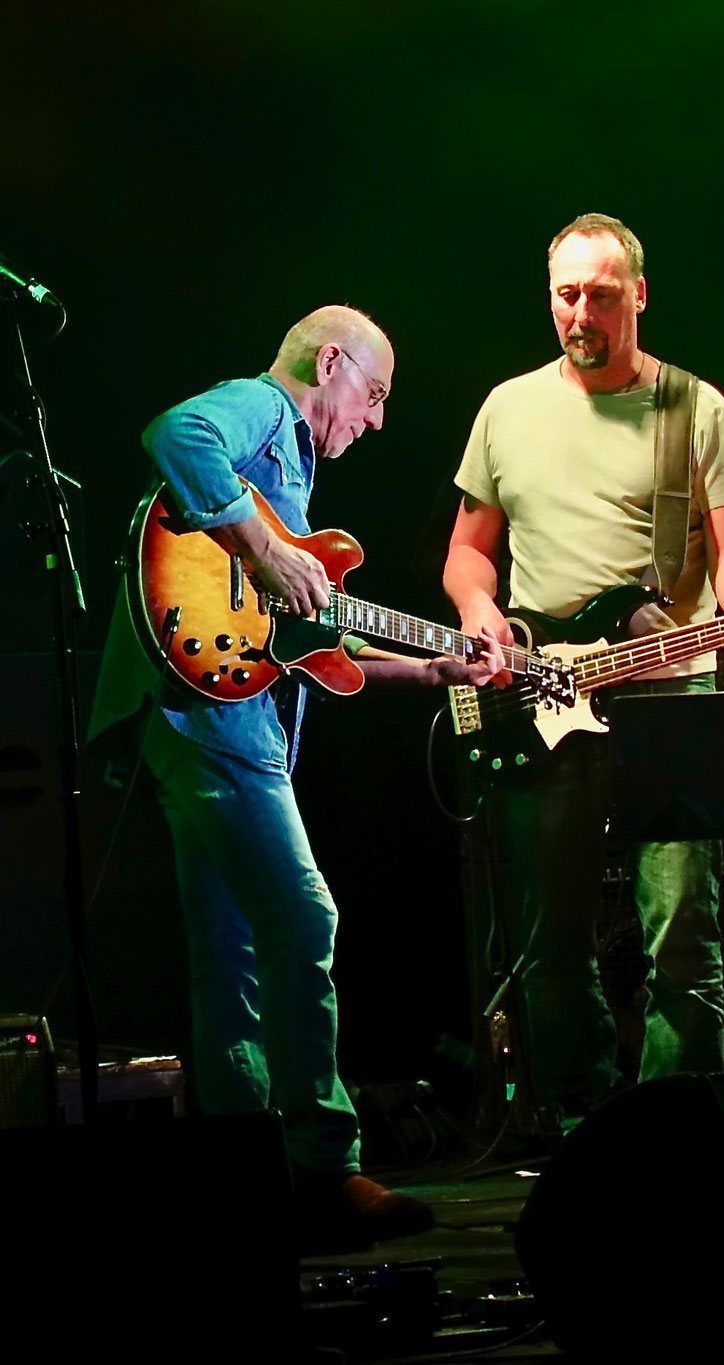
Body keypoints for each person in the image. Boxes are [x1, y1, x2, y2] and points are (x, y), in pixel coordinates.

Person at [89, 305, 502, 1249]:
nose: (378, 419)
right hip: (211, 706)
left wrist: (435, 667)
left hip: (194, 708)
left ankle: (251, 1174)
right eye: (376, 394)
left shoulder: (295, 485)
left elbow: (320, 647)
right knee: (305, 914)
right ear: (331, 363)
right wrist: (268, 550)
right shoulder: (266, 414)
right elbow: (177, 432)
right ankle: (323, 1161)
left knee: (229, 949)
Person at [442, 213, 724, 1128]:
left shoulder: (696, 408)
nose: (582, 312)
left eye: (602, 295)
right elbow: (467, 553)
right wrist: (481, 613)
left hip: (669, 690)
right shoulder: (507, 407)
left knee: (683, 928)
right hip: (542, 693)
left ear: (637, 296)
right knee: (547, 939)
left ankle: (676, 1128)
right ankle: (588, 1127)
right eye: (567, 294)